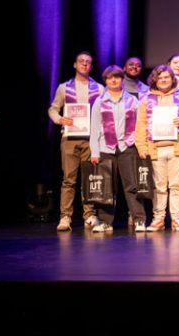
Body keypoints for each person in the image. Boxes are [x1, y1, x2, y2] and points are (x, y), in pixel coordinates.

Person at [134, 65, 179, 231]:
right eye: (160, 78)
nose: (163, 80)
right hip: (155, 149)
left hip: (178, 148)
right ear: (154, 80)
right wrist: (141, 147)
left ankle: (176, 219)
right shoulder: (146, 99)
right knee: (159, 187)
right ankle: (159, 219)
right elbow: (140, 125)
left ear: (172, 79)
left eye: (166, 77)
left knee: (177, 185)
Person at [49, 51, 104, 231]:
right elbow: (53, 109)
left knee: (89, 179)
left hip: (90, 139)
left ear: (91, 66)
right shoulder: (64, 87)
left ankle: (89, 215)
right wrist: (60, 119)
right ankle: (65, 217)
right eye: (81, 61)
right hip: (70, 138)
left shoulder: (99, 88)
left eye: (88, 62)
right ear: (75, 64)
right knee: (69, 180)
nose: (84, 64)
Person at [90, 65, 145, 232]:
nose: (113, 80)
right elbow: (94, 128)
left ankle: (139, 219)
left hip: (127, 146)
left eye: (117, 77)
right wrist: (94, 151)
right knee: (107, 187)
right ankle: (105, 221)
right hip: (106, 147)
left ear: (122, 79)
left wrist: (141, 146)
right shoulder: (99, 101)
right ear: (105, 80)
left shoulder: (132, 100)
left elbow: (140, 125)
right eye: (109, 77)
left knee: (132, 185)